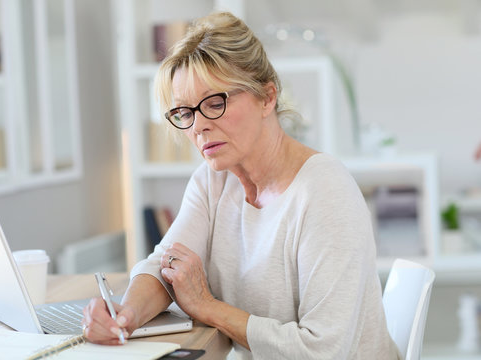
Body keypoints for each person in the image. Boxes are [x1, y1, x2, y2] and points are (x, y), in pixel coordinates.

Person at [82, 11, 401, 360]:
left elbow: (323, 351)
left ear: (267, 97)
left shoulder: (324, 190)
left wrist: (207, 306)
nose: (198, 126)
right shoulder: (212, 181)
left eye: (215, 103)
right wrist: (125, 317)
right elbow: (165, 264)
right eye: (185, 112)